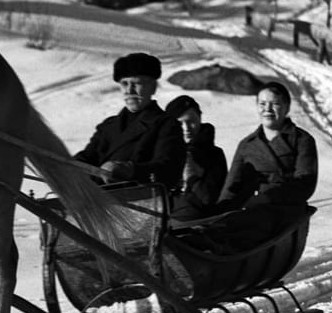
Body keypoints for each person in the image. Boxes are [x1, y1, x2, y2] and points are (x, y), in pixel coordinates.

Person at [74, 52, 184, 188]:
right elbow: (86, 159)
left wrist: (130, 170)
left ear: (153, 87)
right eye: (124, 84)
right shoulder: (108, 127)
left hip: (143, 199)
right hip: (100, 198)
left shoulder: (166, 125)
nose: (129, 91)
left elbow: (169, 170)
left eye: (136, 83)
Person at [218, 81, 318, 211]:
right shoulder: (246, 144)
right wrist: (221, 212)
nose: (267, 109)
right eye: (262, 104)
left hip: (289, 212)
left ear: (287, 107)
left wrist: (268, 197)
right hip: (251, 212)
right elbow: (231, 187)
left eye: (275, 104)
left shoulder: (302, 140)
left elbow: (305, 183)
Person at [163, 95, 227, 221]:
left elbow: (210, 198)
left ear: (200, 119)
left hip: (198, 223)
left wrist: (193, 177)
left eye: (191, 121)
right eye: (179, 123)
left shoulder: (214, 154)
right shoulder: (162, 154)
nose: (186, 128)